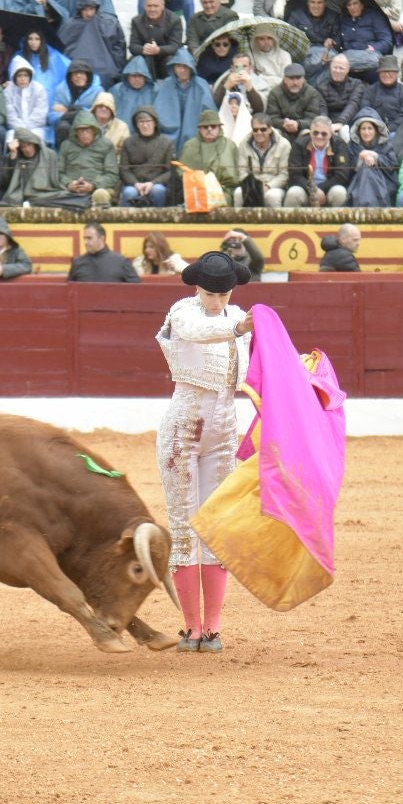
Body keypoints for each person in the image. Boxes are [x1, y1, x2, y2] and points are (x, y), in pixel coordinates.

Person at [154, 250, 254, 653]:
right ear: (197, 286)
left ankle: (212, 628)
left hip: (225, 427)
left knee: (215, 526)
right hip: (184, 428)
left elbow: (257, 369)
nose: (218, 301)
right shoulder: (182, 311)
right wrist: (237, 328)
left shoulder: (238, 316)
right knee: (183, 527)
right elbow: (195, 332)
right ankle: (190, 626)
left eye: (224, 294)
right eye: (211, 294)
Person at [67, 221, 140, 282]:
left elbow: (136, 290)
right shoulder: (78, 263)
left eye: (89, 238)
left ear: (101, 238)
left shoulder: (121, 262)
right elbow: (69, 292)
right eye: (84, 238)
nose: (85, 242)